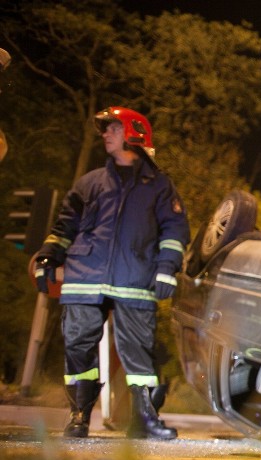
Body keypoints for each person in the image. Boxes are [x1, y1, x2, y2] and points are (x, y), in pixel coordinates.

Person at [34, 106, 189, 439]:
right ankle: (79, 415)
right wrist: (48, 256)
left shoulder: (159, 187)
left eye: (113, 129)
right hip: (85, 275)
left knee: (139, 352)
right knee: (77, 346)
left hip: (135, 278)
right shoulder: (89, 183)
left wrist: (166, 270)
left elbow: (174, 231)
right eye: (105, 130)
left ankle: (144, 420)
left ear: (134, 134)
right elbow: (64, 226)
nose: (105, 135)